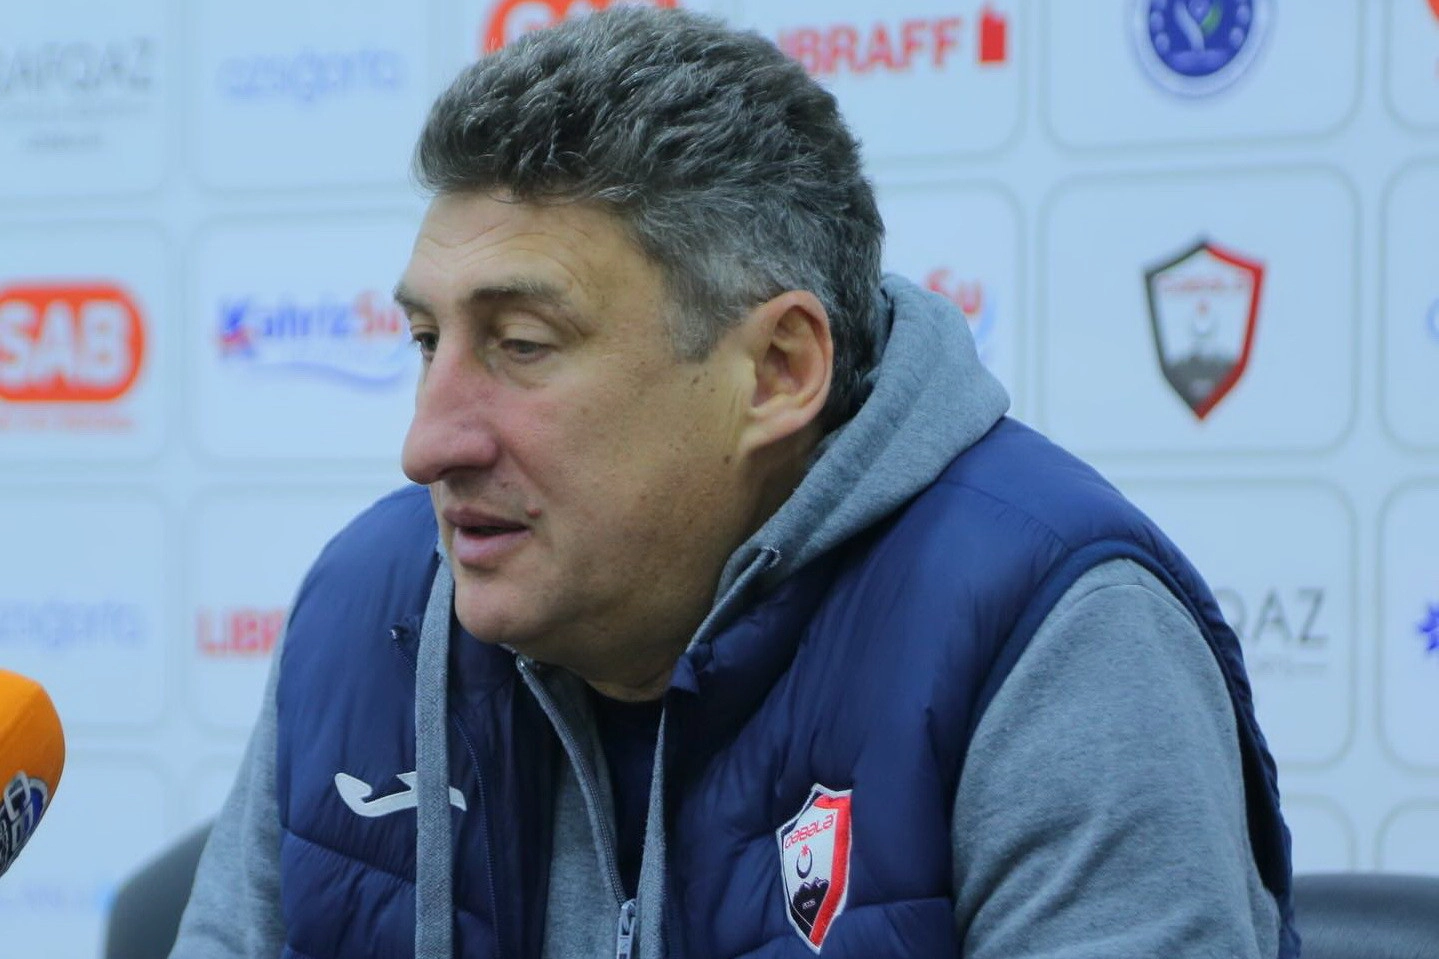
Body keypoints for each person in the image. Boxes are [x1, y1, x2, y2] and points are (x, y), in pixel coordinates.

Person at [170, 8, 1296, 959]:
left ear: (776, 370)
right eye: (427, 341)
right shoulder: (371, 605)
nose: (427, 444)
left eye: (521, 343)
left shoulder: (1050, 635)